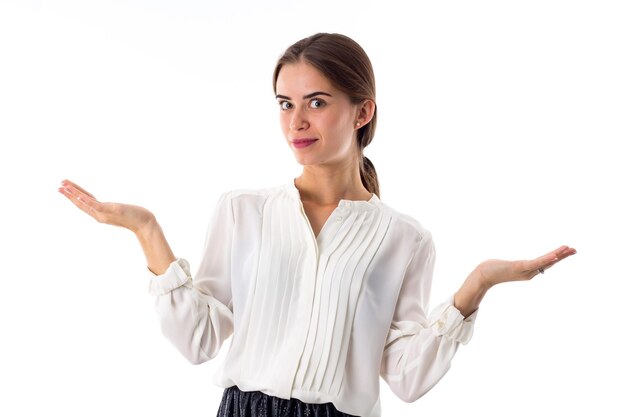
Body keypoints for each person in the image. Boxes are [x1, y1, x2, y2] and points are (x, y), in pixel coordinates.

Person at [58, 32, 576, 417]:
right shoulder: (243, 210)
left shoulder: (405, 239)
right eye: (285, 104)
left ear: (362, 112)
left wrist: (477, 285)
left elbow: (406, 376)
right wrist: (148, 231)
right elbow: (200, 340)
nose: (295, 122)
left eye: (317, 102)